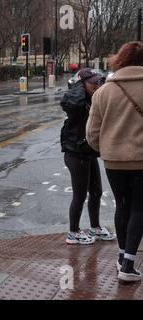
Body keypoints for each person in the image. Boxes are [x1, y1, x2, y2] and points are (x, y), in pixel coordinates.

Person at [87, 41, 143, 282]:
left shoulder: (103, 92)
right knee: (139, 208)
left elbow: (91, 133)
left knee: (122, 206)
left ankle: (121, 256)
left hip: (113, 161)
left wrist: (106, 149)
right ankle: (128, 264)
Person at [60, 68, 116, 245]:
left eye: (98, 81)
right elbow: (70, 102)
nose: (96, 85)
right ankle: (73, 232)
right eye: (92, 82)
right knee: (80, 194)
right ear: (81, 84)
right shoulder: (76, 99)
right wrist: (79, 88)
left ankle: (95, 227)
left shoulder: (92, 99)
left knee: (96, 191)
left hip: (88, 151)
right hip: (75, 153)